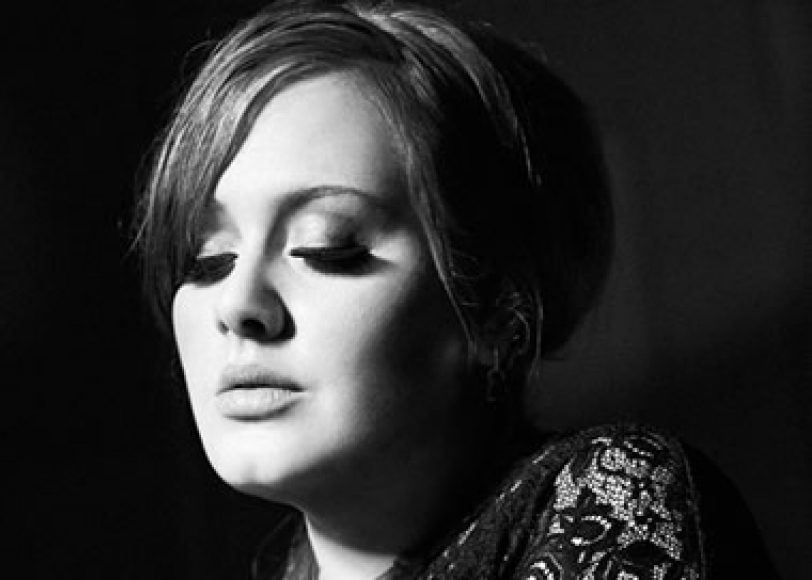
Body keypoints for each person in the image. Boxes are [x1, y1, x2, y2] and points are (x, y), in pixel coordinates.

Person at [132, 1, 776, 577]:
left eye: (328, 247)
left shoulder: (613, 493)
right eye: (208, 259)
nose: (239, 305)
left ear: (494, 304)